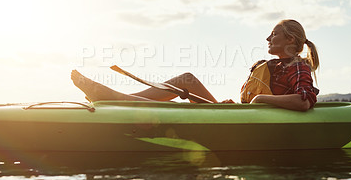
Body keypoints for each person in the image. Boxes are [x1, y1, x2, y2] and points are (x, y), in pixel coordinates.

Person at [71, 19, 319, 111]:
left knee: (187, 89)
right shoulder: (273, 65)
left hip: (251, 119)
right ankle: (117, 100)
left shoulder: (297, 66)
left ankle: (112, 99)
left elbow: (304, 101)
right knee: (187, 79)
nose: (268, 38)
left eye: (274, 34)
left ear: (290, 39)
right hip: (241, 114)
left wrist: (260, 101)